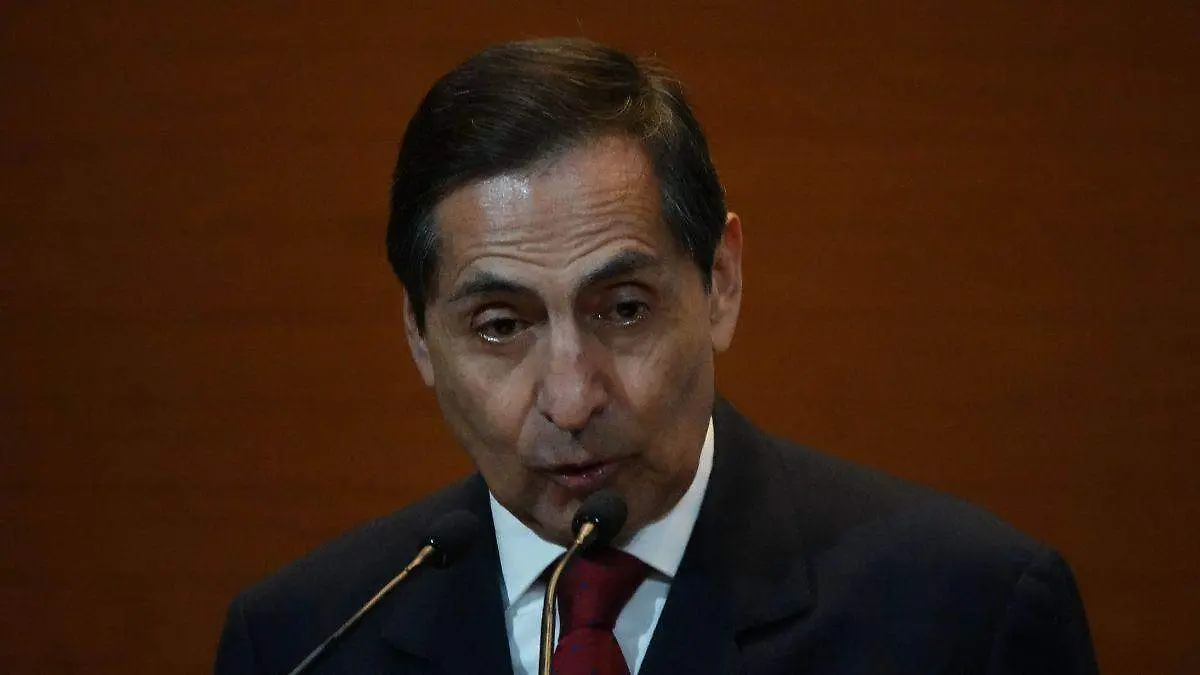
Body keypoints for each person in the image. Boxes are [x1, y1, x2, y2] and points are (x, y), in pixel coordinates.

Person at [214, 37, 1098, 675]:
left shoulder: (968, 616)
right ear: (419, 336)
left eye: (624, 309)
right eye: (500, 326)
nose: (571, 398)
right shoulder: (303, 640)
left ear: (721, 281)